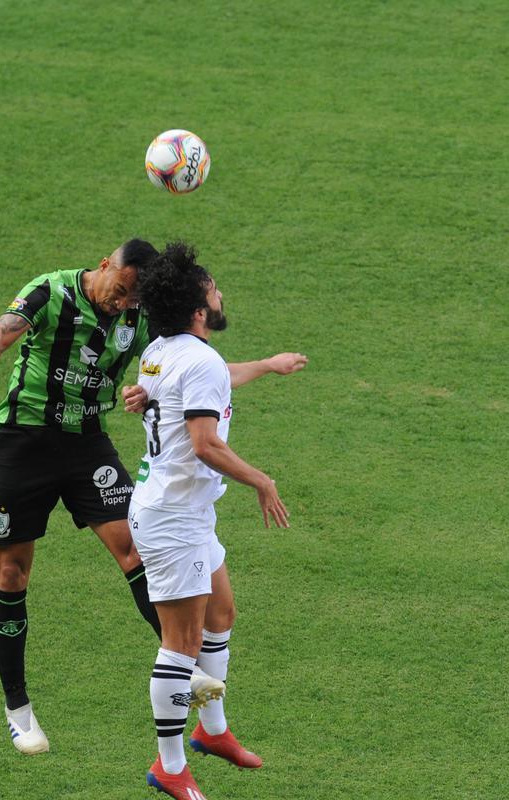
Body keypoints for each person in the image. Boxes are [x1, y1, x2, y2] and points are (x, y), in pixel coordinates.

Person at [0, 240, 306, 756]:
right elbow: (1, 338)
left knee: (133, 546)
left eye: (132, 299)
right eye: (120, 292)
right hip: (25, 441)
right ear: (106, 265)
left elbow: (192, 368)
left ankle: (180, 665)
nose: (121, 304)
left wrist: (260, 365)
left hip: (86, 443)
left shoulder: (139, 318)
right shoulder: (51, 291)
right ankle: (18, 707)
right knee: (12, 571)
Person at [126, 241, 298, 799]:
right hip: (174, 517)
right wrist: (261, 480)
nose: (220, 293)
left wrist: (268, 367)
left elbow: (209, 378)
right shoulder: (195, 360)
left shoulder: (161, 351)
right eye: (214, 288)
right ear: (200, 309)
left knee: (221, 613)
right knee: (180, 644)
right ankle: (169, 767)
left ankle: (212, 731)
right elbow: (204, 443)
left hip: (180, 511)